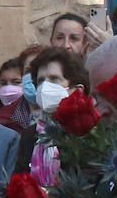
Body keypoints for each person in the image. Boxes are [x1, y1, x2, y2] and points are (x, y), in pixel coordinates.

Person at [27, 48, 90, 186]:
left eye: (54, 79)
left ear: (77, 91)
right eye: (40, 81)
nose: (45, 86)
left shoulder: (89, 135)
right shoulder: (30, 135)